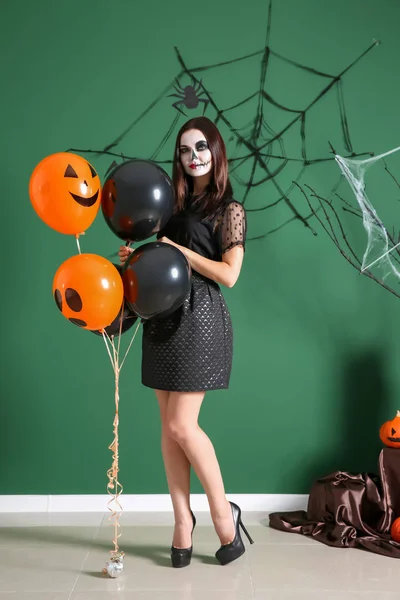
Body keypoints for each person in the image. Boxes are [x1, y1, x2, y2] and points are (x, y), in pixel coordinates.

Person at [119, 116, 253, 567]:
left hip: (201, 318)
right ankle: (181, 521)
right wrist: (136, 257)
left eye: (201, 147)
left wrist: (180, 252)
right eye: (184, 149)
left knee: (182, 425)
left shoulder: (228, 209)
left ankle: (223, 516)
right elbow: (156, 258)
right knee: (168, 430)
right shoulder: (167, 207)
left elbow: (229, 276)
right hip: (160, 317)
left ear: (215, 152)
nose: (193, 156)